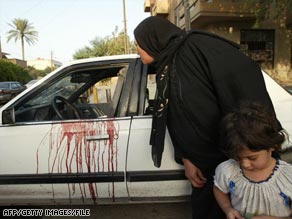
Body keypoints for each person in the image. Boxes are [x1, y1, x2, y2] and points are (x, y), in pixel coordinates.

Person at [134, 16, 282, 219]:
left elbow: (244, 79)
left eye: (138, 44)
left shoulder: (198, 48)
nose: (137, 49)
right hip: (205, 169)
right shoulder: (168, 64)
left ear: (153, 39)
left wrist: (249, 150)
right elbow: (177, 118)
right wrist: (186, 157)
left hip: (235, 161)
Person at [214, 102, 292, 219]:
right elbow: (219, 189)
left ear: (272, 147)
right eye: (238, 158)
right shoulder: (228, 171)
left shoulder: (288, 177)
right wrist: (228, 209)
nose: (245, 164)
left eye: (252, 158)